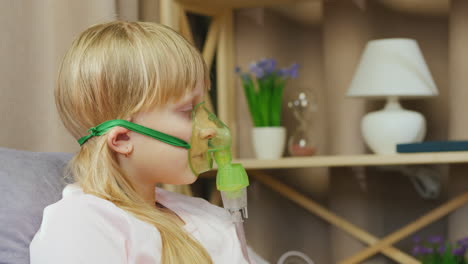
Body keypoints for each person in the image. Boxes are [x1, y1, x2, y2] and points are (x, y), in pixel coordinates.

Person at [29, 21, 248, 264]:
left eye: (202, 108)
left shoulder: (207, 217)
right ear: (122, 138)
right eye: (188, 110)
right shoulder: (81, 224)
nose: (209, 129)